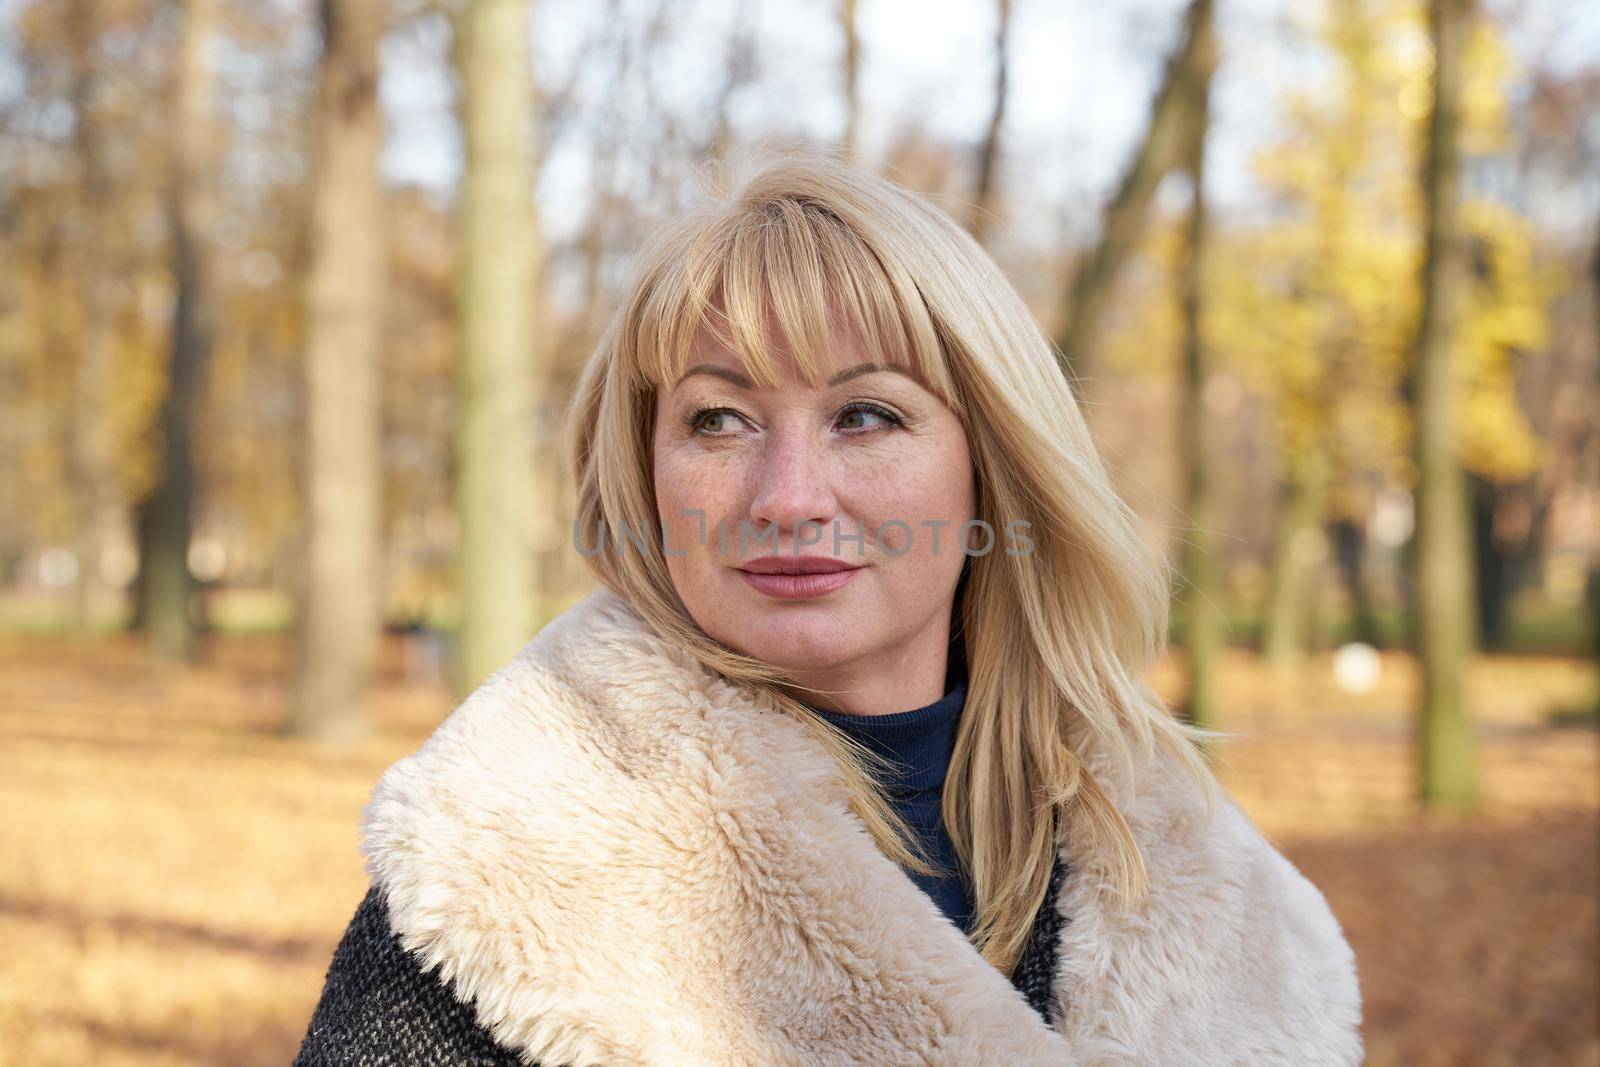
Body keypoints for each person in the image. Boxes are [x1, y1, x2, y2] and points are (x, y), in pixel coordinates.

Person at [295, 147, 1363, 1065]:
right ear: (647, 469)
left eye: (864, 413)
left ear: (990, 463)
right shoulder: (496, 877)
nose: (788, 497)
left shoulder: (1213, 893)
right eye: (718, 419)